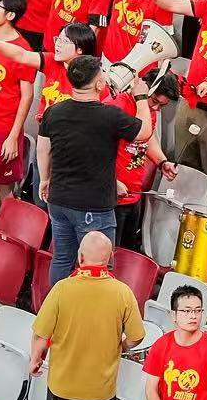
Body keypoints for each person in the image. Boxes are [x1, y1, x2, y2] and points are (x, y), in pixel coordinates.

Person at [38, 55, 155, 284]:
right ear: (99, 84)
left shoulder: (54, 111)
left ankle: (57, 303)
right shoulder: (109, 116)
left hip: (59, 199)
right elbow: (144, 133)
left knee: (62, 258)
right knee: (97, 266)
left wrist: (44, 179)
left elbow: (43, 149)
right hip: (93, 206)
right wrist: (141, 97)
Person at [30, 230, 146, 400]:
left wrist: (35, 358)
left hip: (63, 386)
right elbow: (137, 336)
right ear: (110, 258)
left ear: (80, 256)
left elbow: (41, 334)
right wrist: (121, 346)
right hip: (100, 391)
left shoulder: (62, 288)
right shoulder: (122, 292)